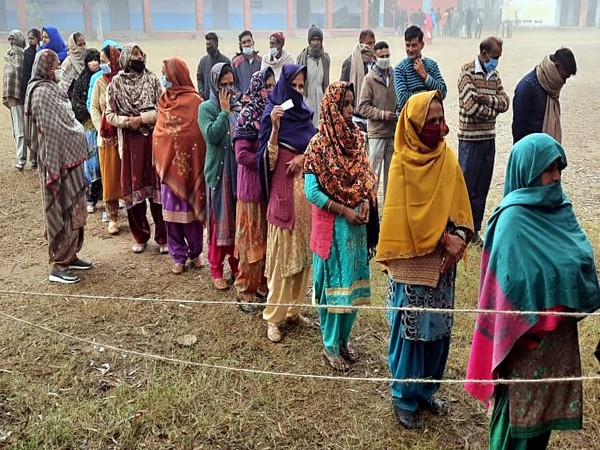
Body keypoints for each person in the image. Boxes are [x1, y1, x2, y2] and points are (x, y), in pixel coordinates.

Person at [465, 133, 600, 450]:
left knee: (540, 428)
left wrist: (562, 292)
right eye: (547, 169)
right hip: (521, 347)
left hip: (556, 346)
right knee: (515, 424)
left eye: (558, 169)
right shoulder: (511, 220)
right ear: (526, 170)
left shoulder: (561, 210)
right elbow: (508, 288)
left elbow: (582, 263)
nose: (555, 177)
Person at [376, 90, 474, 430]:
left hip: (443, 267)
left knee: (438, 333)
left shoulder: (447, 158)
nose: (438, 126)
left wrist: (458, 239)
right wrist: (440, 240)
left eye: (440, 119)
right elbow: (404, 221)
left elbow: (462, 208)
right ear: (414, 125)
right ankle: (404, 397)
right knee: (410, 335)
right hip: (412, 266)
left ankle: (427, 391)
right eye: (430, 121)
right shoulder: (401, 164)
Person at [304, 81, 377, 371]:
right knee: (335, 288)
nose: (349, 110)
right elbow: (312, 193)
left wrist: (368, 201)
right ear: (331, 107)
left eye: (351, 104)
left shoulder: (356, 140)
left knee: (352, 287)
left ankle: (344, 340)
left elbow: (367, 177)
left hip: (356, 229)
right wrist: (345, 209)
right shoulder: (318, 146)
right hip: (333, 229)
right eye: (344, 105)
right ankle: (330, 345)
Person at [258, 64, 317, 343]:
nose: (298, 91)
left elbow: (317, 151)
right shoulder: (272, 117)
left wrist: (304, 158)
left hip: (306, 206)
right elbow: (266, 163)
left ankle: (294, 311)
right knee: (282, 263)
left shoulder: (306, 119)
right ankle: (273, 317)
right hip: (283, 204)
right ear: (283, 87)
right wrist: (274, 129)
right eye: (293, 86)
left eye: (301, 87)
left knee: (303, 262)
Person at [24, 49, 93, 283]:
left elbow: (69, 118)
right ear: (45, 68)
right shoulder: (40, 93)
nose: (57, 69)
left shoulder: (53, 88)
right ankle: (59, 265)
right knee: (62, 209)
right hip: (57, 162)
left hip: (69, 159)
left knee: (75, 209)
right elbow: (52, 131)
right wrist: (78, 133)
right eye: (54, 66)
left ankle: (71, 255)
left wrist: (77, 132)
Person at [105, 44, 167, 254]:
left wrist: (143, 118)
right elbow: (109, 114)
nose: (138, 58)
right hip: (130, 141)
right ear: (124, 59)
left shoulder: (153, 80)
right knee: (134, 189)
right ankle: (140, 236)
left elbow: (164, 107)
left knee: (157, 189)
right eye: (134, 55)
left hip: (153, 139)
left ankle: (163, 237)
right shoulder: (115, 84)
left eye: (140, 54)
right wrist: (127, 121)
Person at [154, 57, 206, 275]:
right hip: (168, 169)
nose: (164, 79)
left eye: (166, 74)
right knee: (171, 217)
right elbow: (159, 133)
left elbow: (199, 134)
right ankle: (178, 256)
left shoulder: (196, 101)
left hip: (190, 167)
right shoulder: (163, 101)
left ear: (176, 76)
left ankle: (195, 254)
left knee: (191, 215)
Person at [458, 37, 509, 245]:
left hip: (489, 139)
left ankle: (475, 230)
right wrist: (493, 112)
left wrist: (487, 100)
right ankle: (461, 229)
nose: (496, 61)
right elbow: (471, 107)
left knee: (482, 187)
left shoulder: (494, 75)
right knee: (466, 188)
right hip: (470, 140)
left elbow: (505, 103)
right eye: (495, 57)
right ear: (484, 53)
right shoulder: (467, 72)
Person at [232, 67, 276, 312]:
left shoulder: (270, 113)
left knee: (266, 242)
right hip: (250, 190)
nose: (270, 90)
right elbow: (241, 155)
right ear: (257, 88)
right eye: (266, 86)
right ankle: (245, 291)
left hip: (267, 189)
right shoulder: (248, 114)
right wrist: (266, 160)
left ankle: (261, 286)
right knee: (251, 242)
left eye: (273, 85)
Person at [198, 63, 240, 290]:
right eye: (223, 85)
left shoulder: (239, 106)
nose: (228, 89)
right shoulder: (206, 108)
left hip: (236, 174)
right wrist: (224, 112)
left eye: (231, 84)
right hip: (218, 174)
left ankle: (236, 265)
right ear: (214, 84)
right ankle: (216, 269)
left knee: (235, 222)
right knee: (219, 224)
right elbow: (212, 136)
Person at [358, 41, 397, 200]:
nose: (385, 59)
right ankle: (371, 208)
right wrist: (382, 114)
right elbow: (362, 107)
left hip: (393, 133)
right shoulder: (369, 79)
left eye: (387, 56)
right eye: (382, 56)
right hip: (376, 134)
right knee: (373, 175)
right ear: (375, 57)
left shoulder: (395, 75)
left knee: (392, 177)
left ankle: (388, 212)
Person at [512, 48, 577, 144]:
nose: (564, 82)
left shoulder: (551, 85)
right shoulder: (526, 87)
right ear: (556, 66)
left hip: (547, 150)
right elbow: (518, 128)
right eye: (563, 77)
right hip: (531, 150)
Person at [90, 44, 122, 235]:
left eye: (104, 61)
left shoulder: (123, 81)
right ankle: (112, 217)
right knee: (109, 179)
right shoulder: (99, 82)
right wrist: (100, 128)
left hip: (124, 136)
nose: (102, 65)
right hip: (106, 139)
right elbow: (94, 107)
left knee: (125, 177)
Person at [72, 48, 102, 215]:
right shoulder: (82, 81)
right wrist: (91, 111)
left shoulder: (104, 79)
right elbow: (76, 104)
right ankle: (90, 199)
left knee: (104, 164)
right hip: (89, 127)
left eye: (97, 59)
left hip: (103, 127)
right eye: (91, 59)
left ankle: (106, 196)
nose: (94, 62)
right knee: (91, 165)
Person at [394, 26, 447, 113]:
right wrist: (430, 95)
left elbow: (443, 92)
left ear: (422, 45)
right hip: (409, 123)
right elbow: (403, 100)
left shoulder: (432, 65)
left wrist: (425, 76)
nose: (410, 50)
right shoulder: (400, 69)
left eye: (414, 45)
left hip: (430, 120)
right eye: (407, 45)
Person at [340, 29, 376, 131]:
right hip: (356, 117)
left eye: (373, 43)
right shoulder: (350, 62)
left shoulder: (376, 62)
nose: (372, 46)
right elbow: (342, 89)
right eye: (369, 43)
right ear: (361, 43)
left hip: (372, 117)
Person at [296, 25, 330, 128]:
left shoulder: (325, 59)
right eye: (313, 39)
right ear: (309, 41)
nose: (315, 42)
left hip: (321, 98)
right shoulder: (302, 59)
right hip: (307, 98)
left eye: (318, 40)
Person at [3, 30, 27, 170]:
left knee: (20, 130)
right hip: (14, 96)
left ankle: (21, 160)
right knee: (19, 129)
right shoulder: (9, 54)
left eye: (14, 39)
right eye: (10, 39)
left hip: (18, 96)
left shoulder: (17, 54)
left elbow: (17, 73)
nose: (11, 42)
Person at [196, 32, 231, 101]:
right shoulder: (203, 61)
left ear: (216, 44)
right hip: (207, 100)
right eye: (207, 44)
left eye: (210, 44)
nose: (208, 47)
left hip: (222, 100)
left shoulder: (225, 61)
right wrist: (202, 92)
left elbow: (230, 80)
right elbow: (199, 77)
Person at [231, 30, 262, 95]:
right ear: (240, 45)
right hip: (242, 101)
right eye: (244, 42)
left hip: (258, 100)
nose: (247, 44)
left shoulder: (261, 61)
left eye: (249, 41)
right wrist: (240, 96)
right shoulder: (235, 63)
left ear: (253, 42)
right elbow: (232, 84)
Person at [60, 32, 86, 97]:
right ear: (73, 46)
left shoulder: (87, 59)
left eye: (84, 44)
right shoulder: (68, 62)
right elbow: (63, 88)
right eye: (79, 45)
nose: (83, 47)